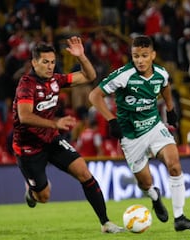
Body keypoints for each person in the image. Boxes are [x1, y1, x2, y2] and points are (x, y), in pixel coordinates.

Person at [89, 35, 190, 232]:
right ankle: (154, 196)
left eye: (144, 55)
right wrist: (111, 119)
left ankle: (180, 218)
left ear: (153, 55)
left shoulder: (161, 73)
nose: (140, 60)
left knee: (174, 165)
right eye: (135, 56)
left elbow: (165, 86)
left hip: (154, 127)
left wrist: (170, 109)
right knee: (145, 183)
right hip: (130, 136)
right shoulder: (124, 75)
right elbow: (94, 96)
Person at [12, 37, 124, 233]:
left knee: (84, 172)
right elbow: (24, 116)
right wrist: (55, 123)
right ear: (34, 62)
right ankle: (32, 192)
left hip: (51, 140)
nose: (50, 66)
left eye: (53, 62)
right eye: (45, 62)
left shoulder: (56, 80)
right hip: (29, 148)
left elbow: (89, 76)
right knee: (44, 197)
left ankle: (105, 223)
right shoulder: (26, 84)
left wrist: (81, 57)